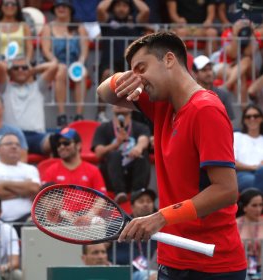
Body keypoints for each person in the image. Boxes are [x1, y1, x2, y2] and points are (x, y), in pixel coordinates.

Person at [97, 32, 246, 279]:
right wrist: (127, 78)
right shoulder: (162, 105)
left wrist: (162, 217)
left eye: (142, 68)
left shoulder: (205, 109)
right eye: (133, 71)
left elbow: (226, 190)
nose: (139, 78)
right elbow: (105, 92)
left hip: (214, 265)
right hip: (172, 259)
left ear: (168, 60)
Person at [0, 55, 58, 156]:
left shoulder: (38, 87)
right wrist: (10, 66)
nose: (20, 70)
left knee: (57, 141)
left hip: (37, 136)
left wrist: (32, 70)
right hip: (12, 137)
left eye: (24, 68)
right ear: (10, 71)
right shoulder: (4, 88)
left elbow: (54, 66)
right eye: (16, 68)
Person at [96, 0, 149, 122]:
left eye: (124, 5)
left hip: (130, 63)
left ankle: (135, 115)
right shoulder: (108, 20)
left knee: (135, 81)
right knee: (107, 74)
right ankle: (101, 113)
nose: (121, 8)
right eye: (118, 5)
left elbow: (145, 10)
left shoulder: (135, 21)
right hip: (110, 60)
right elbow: (100, 9)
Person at [0, 133, 40, 235]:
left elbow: (35, 189)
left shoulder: (30, 169)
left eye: (17, 144)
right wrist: (24, 191)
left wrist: (4, 184)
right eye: (9, 144)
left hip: (27, 220)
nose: (14, 146)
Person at [40, 0, 89, 126]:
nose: (61, 9)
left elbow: (84, 50)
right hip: (55, 63)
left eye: (64, 6)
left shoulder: (80, 27)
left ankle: (79, 114)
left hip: (74, 62)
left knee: (80, 73)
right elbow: (46, 50)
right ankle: (61, 114)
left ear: (70, 10)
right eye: (58, 6)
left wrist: (80, 63)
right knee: (60, 70)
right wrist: (54, 61)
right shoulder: (48, 28)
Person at [92, 105, 151, 203]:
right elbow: (98, 153)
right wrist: (116, 144)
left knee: (142, 154)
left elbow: (144, 139)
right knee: (114, 154)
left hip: (132, 172)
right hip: (111, 175)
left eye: (122, 102)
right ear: (111, 107)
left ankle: (138, 192)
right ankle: (119, 192)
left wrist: (138, 148)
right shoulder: (103, 128)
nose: (118, 104)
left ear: (132, 107)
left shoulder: (140, 127)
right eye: (115, 102)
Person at [41, 127, 107, 194]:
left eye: (66, 143)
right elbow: (44, 198)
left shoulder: (93, 171)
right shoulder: (51, 171)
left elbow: (101, 199)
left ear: (78, 145)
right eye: (58, 144)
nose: (61, 147)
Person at [0, 0, 34, 71]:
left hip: (20, 61)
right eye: (6, 4)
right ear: (1, 7)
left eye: (13, 4)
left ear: (17, 8)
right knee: (1, 67)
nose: (10, 6)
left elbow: (29, 48)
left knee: (26, 70)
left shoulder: (24, 26)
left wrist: (26, 62)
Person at [192, 55, 235, 120]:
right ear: (195, 74)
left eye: (210, 69)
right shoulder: (190, 95)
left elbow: (229, 121)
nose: (209, 73)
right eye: (204, 70)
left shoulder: (223, 95)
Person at [234, 104, 263, 192]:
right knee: (255, 179)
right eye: (248, 117)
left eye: (256, 116)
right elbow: (232, 161)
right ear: (244, 120)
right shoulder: (236, 136)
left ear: (261, 119)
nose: (252, 119)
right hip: (243, 173)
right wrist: (253, 168)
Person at [236, 188, 263, 280]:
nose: (258, 209)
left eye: (261, 205)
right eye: (254, 205)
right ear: (244, 207)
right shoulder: (235, 224)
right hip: (241, 269)